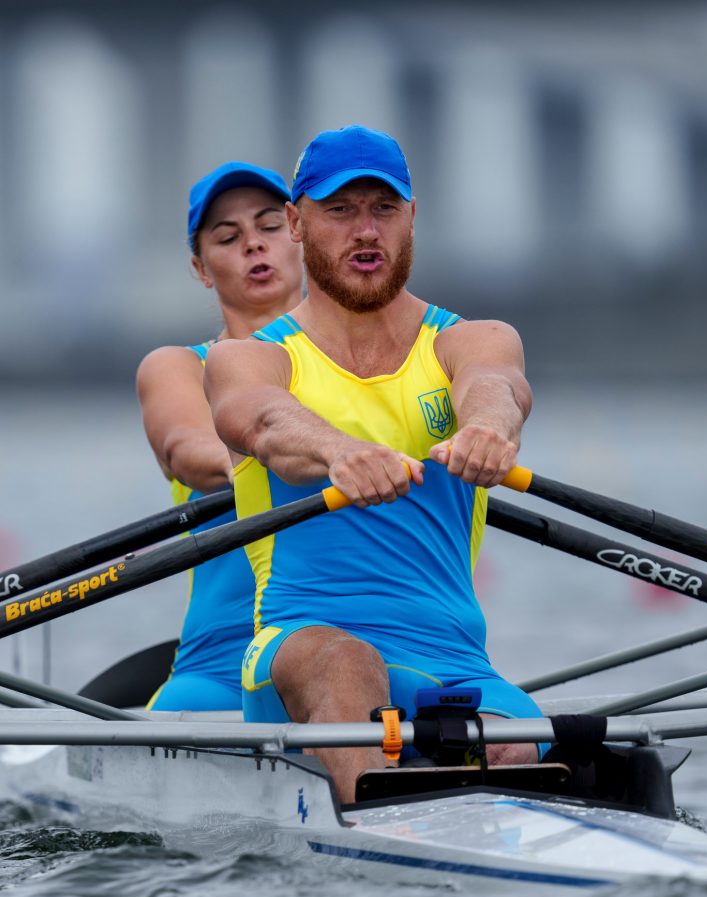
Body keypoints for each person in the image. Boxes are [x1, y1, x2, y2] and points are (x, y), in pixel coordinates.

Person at [204, 126, 546, 800]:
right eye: (341, 210)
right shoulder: (250, 357)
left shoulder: (473, 338)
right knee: (350, 662)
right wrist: (338, 451)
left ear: (412, 216)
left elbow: (496, 387)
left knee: (517, 743)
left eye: (384, 209)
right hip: (302, 650)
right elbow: (263, 420)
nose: (366, 231)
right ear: (298, 224)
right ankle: (377, 835)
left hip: (452, 663)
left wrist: (486, 430)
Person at [137, 161, 304, 711]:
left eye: (270, 227)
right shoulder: (179, 367)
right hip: (219, 671)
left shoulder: (363, 366)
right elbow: (190, 452)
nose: (253, 246)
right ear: (201, 268)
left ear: (300, 234)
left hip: (364, 643)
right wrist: (324, 457)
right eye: (229, 237)